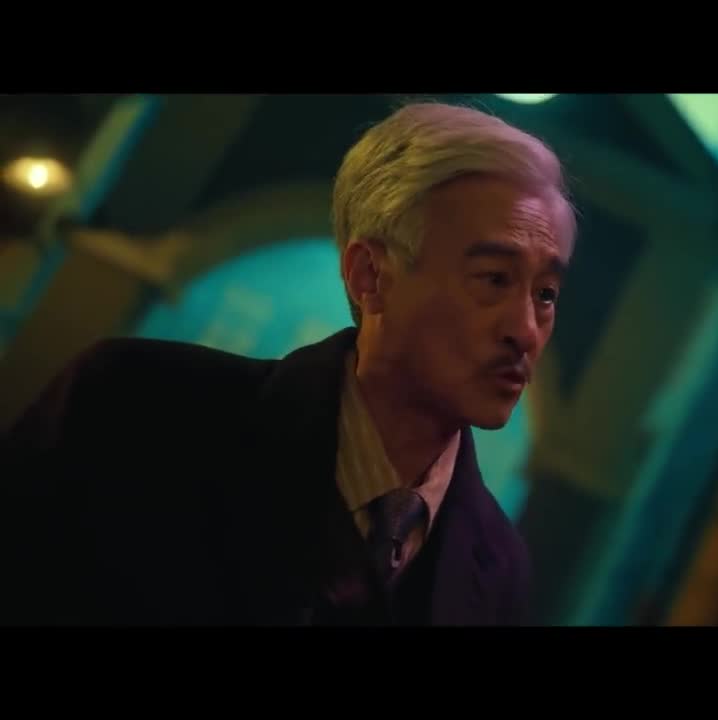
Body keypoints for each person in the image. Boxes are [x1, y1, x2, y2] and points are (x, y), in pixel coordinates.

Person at [0, 101, 576, 625]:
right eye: (493, 279)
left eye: (545, 294)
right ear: (370, 276)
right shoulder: (136, 408)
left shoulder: (499, 565)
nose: (525, 330)